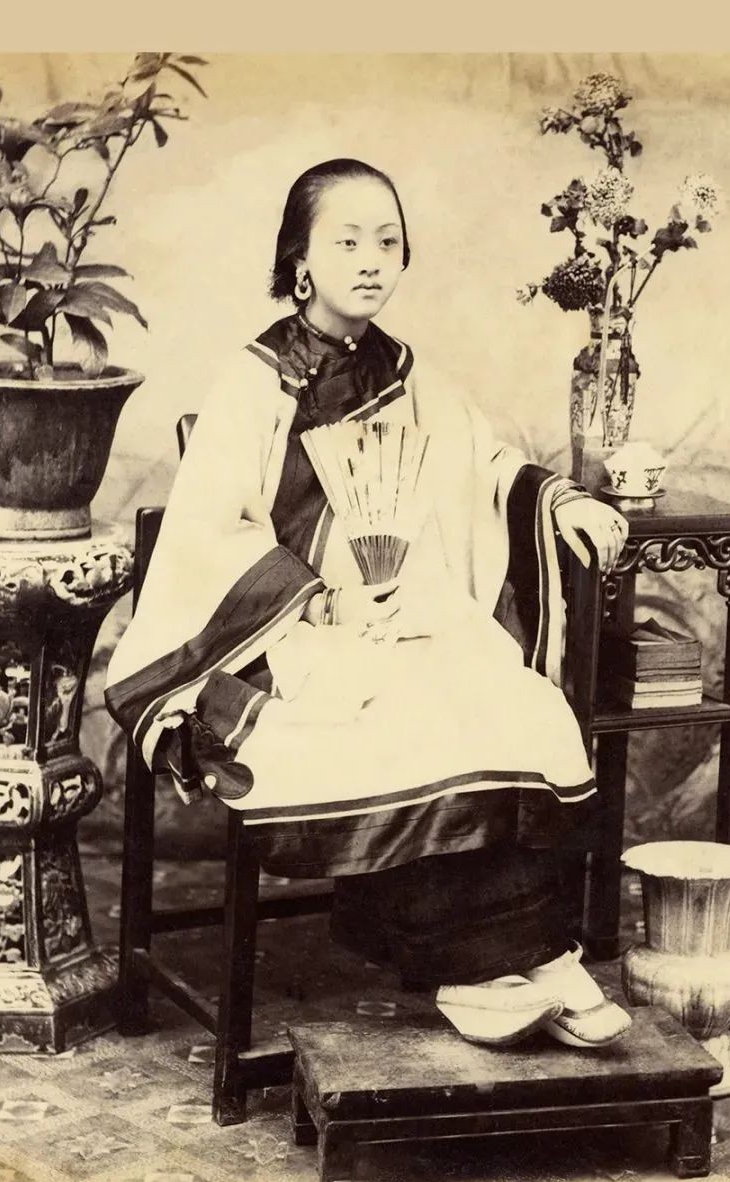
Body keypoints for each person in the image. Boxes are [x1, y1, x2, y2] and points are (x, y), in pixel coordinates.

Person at [105, 158, 634, 1049]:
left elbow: (484, 463)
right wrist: (317, 603)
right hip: (287, 633)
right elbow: (208, 531)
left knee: (510, 699)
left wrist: (558, 499)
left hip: (403, 614)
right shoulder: (255, 380)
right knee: (404, 717)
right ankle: (481, 965)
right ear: (300, 260)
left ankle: (529, 960)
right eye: (346, 241)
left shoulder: (407, 371)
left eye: (387, 241)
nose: (370, 259)